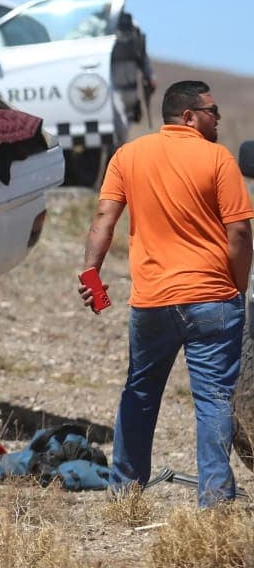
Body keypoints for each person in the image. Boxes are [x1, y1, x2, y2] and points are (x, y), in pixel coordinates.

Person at [79, 80, 253, 507]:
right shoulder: (218, 159)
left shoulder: (128, 155)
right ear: (188, 115)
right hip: (213, 298)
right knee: (213, 399)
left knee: (139, 393)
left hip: (153, 300)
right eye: (212, 112)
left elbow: (104, 218)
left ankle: (125, 492)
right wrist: (238, 287)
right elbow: (240, 232)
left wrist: (92, 276)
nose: (218, 119)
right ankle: (214, 502)